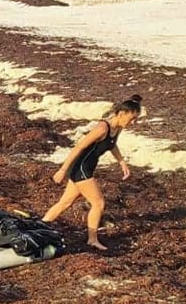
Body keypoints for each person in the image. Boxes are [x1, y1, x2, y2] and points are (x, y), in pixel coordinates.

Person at [41, 95, 143, 251]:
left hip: (85, 169)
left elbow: (111, 145)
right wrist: (62, 170)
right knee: (98, 203)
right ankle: (92, 239)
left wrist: (121, 162)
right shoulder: (102, 128)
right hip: (81, 169)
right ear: (121, 114)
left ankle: (39, 226)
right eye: (131, 119)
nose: (133, 123)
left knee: (65, 203)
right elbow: (78, 147)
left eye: (135, 119)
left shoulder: (117, 128)